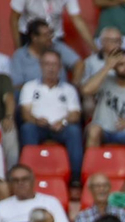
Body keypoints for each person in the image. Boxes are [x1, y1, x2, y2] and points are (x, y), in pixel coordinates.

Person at [19, 50, 84, 183]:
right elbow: (25, 113)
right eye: (47, 64)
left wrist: (63, 121)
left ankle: (76, 178)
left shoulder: (69, 89)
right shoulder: (29, 87)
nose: (51, 68)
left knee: (74, 131)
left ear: (60, 67)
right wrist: (36, 120)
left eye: (54, 64)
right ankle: (28, 174)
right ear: (41, 66)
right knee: (27, 128)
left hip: (61, 127)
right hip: (38, 126)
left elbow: (75, 114)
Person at [10, 0, 92, 66]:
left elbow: (77, 20)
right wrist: (19, 49)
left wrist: (93, 47)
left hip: (55, 36)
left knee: (58, 66)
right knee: (29, 67)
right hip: (30, 36)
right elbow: (14, 18)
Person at [86, 48, 125, 159]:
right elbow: (86, 90)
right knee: (94, 130)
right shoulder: (105, 80)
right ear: (114, 67)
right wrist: (107, 67)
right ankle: (91, 169)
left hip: (123, 132)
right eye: (121, 64)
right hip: (103, 130)